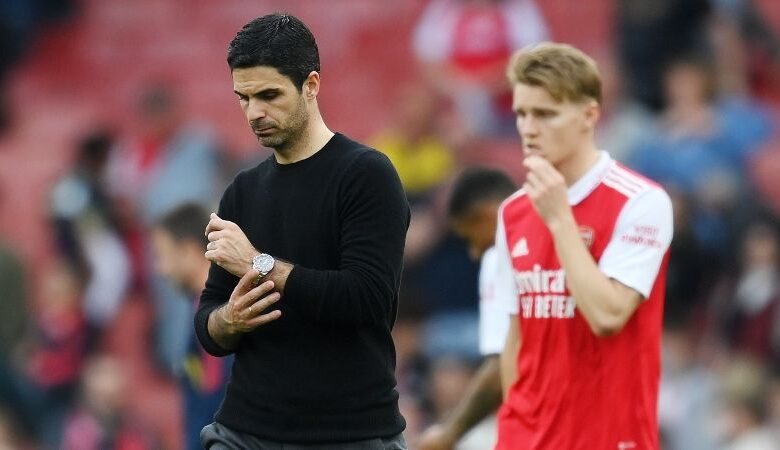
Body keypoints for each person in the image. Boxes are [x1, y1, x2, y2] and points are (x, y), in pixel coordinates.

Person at [194, 13, 410, 449]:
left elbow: (366, 300)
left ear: (311, 85)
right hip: (244, 430)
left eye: (269, 95)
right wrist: (229, 321)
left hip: (350, 432)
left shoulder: (366, 174)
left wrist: (258, 263)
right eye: (244, 98)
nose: (255, 113)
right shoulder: (241, 191)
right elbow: (208, 323)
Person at [494, 43, 674, 449]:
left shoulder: (641, 202)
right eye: (522, 113)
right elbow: (517, 336)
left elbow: (607, 313)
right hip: (526, 439)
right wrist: (514, 427)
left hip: (609, 437)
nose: (528, 128)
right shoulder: (513, 212)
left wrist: (560, 219)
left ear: (589, 115)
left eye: (546, 114)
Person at [418, 167, 516, 450]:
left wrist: (449, 433)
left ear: (487, 214)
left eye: (470, 237)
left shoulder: (498, 258)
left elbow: (500, 367)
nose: (474, 252)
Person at [151, 204, 231, 450]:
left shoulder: (218, 314)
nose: (159, 269)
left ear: (187, 250)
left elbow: (217, 402)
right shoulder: (203, 306)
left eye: (162, 255)